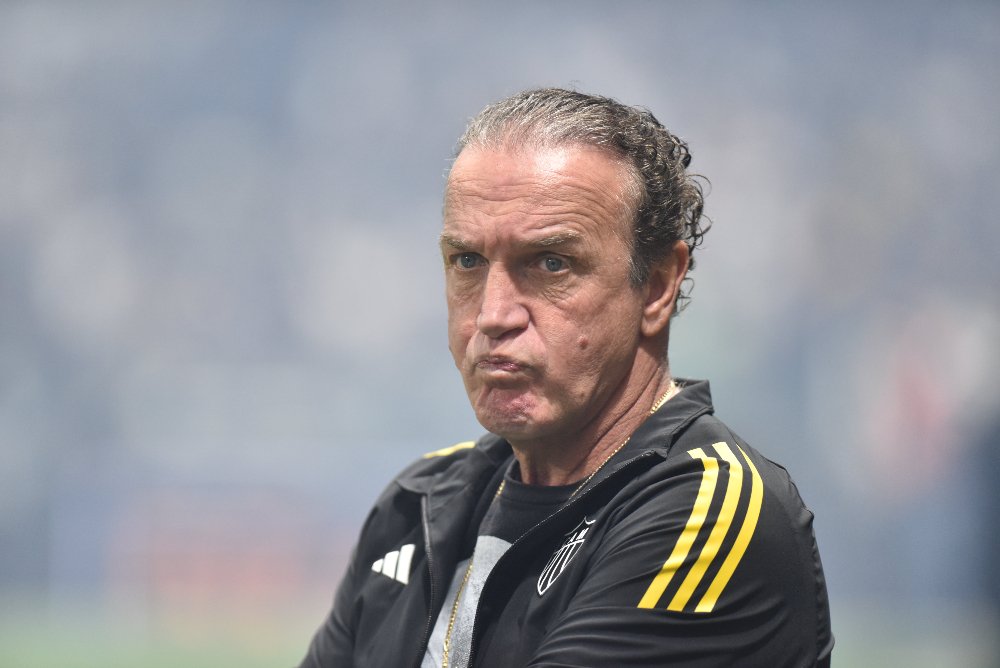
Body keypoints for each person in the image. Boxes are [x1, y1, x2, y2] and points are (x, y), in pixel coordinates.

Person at [299, 88, 833, 667]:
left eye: (551, 263)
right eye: (467, 262)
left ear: (656, 286)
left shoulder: (711, 513)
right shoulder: (417, 506)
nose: (493, 315)